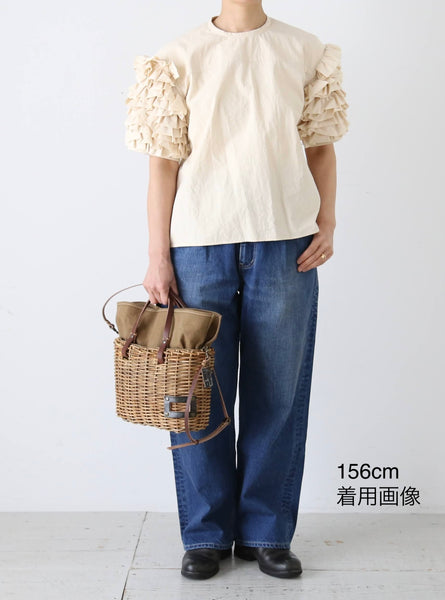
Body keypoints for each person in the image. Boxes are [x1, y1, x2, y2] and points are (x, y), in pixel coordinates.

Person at [124, 0, 349, 581]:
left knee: (279, 393)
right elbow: (162, 165)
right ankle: (204, 535)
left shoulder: (304, 50)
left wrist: (326, 222)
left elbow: (320, 147)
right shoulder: (180, 56)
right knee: (195, 395)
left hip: (287, 244)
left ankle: (266, 533)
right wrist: (158, 256)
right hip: (199, 247)